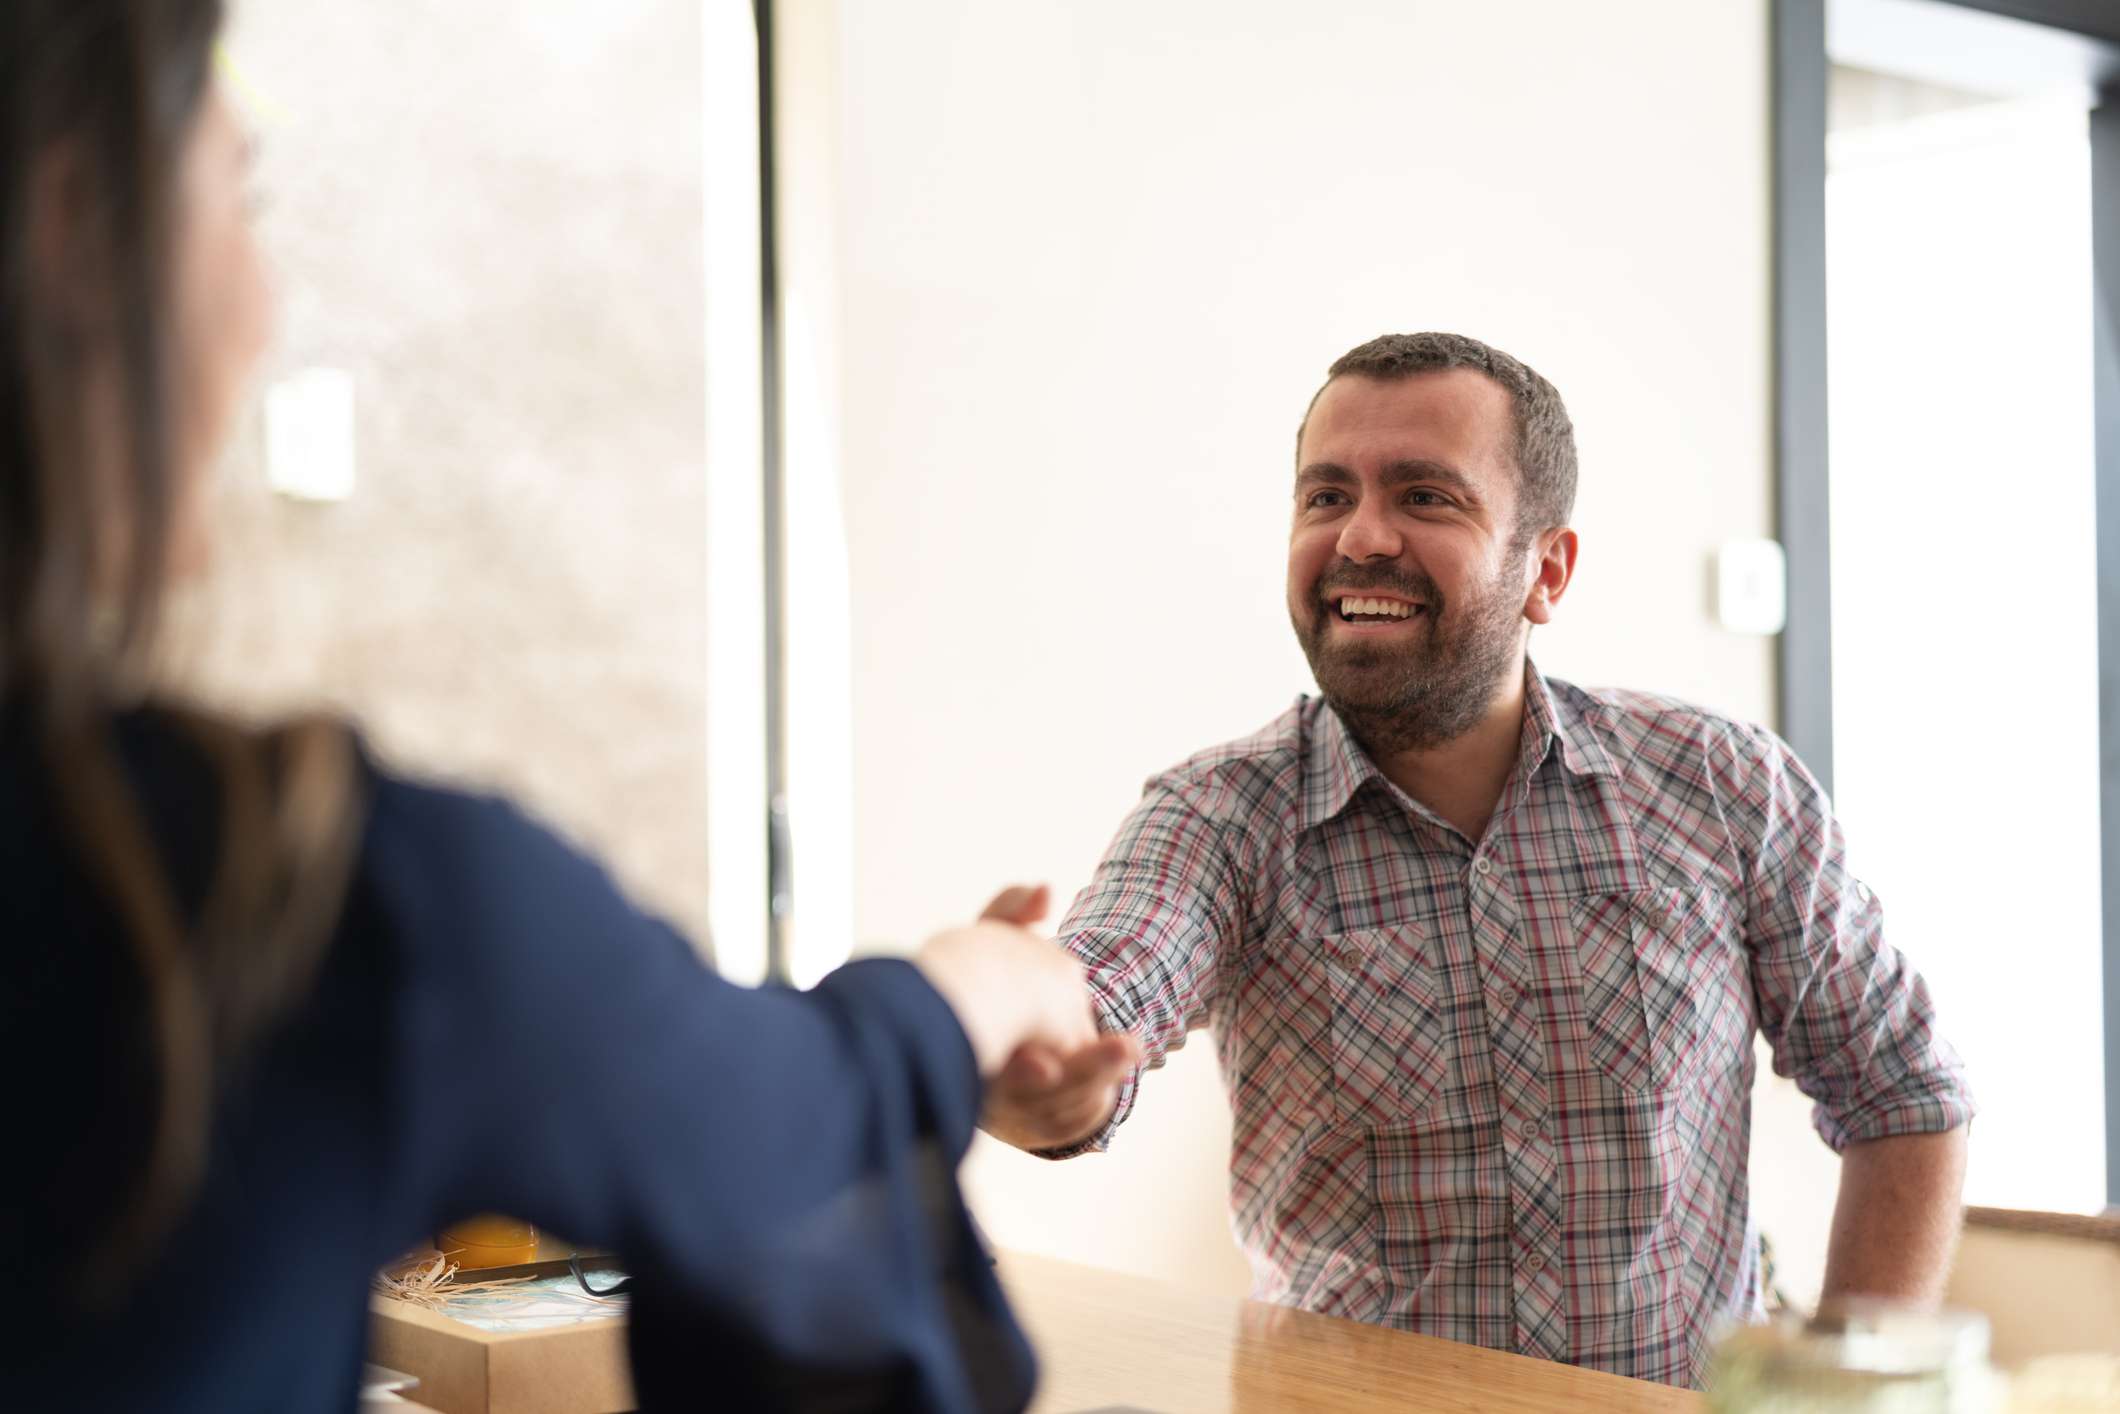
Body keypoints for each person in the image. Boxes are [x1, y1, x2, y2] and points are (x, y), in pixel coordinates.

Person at [0, 4, 1127, 1410]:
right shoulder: (310, 889)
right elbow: (783, 1123)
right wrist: (973, 990)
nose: (267, 301)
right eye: (242, 193)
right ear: (74, 232)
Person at [979, 331, 1974, 1389]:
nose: (1360, 536)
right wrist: (1032, 1065)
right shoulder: (1220, 815)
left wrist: (1844, 1396)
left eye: (1424, 496)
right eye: (1324, 497)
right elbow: (1105, 984)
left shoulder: (1720, 783)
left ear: (1544, 569)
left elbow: (1901, 1092)